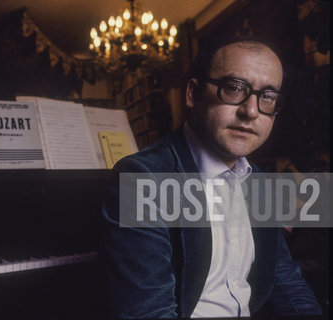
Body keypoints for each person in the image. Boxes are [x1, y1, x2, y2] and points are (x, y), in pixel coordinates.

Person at [102, 35, 322, 319]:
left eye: (267, 96)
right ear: (193, 93)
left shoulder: (261, 182)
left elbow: (286, 283)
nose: (251, 111)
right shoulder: (142, 178)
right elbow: (149, 312)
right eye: (233, 88)